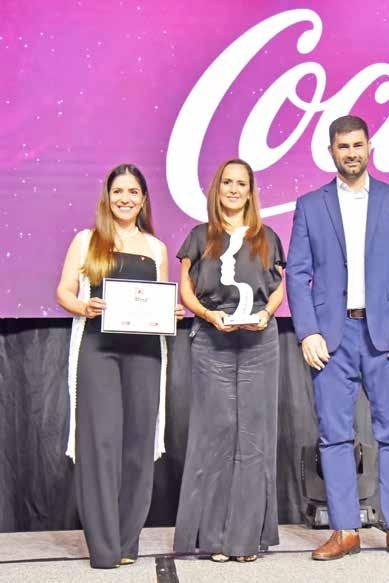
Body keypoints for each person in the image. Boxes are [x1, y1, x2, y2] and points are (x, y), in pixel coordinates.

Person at [286, 116, 389, 561]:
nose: (351, 153)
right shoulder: (310, 205)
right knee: (333, 434)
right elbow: (297, 273)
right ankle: (345, 530)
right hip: (332, 336)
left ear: (370, 148)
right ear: (330, 152)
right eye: (342, 146)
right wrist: (308, 331)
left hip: (386, 335)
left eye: (357, 145)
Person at [56, 163, 184, 569]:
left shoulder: (156, 248)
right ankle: (104, 547)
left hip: (145, 353)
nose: (125, 198)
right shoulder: (86, 240)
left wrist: (171, 313)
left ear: (143, 199)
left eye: (133, 192)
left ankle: (128, 542)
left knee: (138, 446)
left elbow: (159, 299)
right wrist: (84, 306)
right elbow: (63, 292)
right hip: (98, 350)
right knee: (99, 445)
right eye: (118, 191)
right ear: (107, 197)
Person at [174, 158, 285, 562]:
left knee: (254, 438)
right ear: (217, 189)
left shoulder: (267, 237)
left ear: (251, 192)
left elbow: (279, 287)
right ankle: (214, 538)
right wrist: (207, 315)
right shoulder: (199, 236)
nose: (234, 190)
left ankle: (246, 540)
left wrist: (266, 313)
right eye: (227, 183)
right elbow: (185, 290)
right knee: (215, 435)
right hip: (211, 340)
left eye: (241, 184)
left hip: (260, 341)